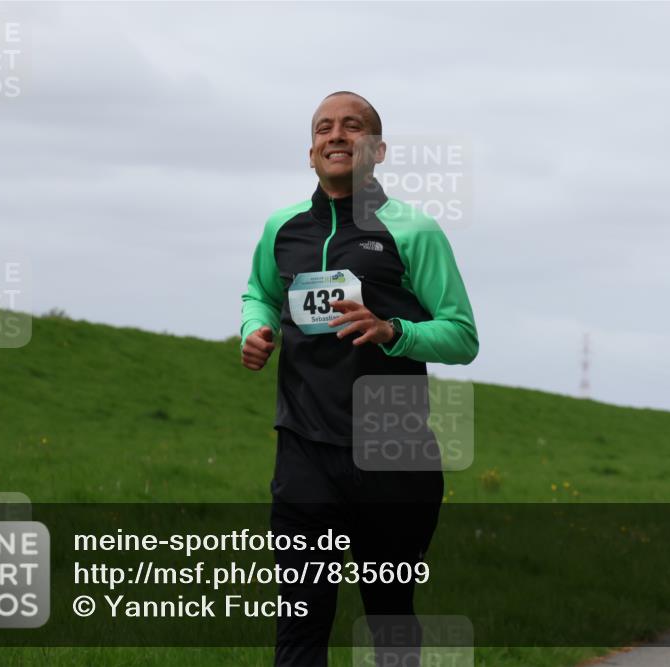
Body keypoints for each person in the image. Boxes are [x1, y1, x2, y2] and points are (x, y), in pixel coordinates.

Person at [240, 91, 479, 666]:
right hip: (304, 452)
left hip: (393, 457)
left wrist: (393, 330)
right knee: (300, 622)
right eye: (324, 128)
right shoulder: (282, 228)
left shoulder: (414, 231)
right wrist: (256, 329)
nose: (336, 135)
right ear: (311, 152)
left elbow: (462, 335)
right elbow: (260, 293)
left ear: (378, 149)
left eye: (352, 126)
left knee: (388, 618)